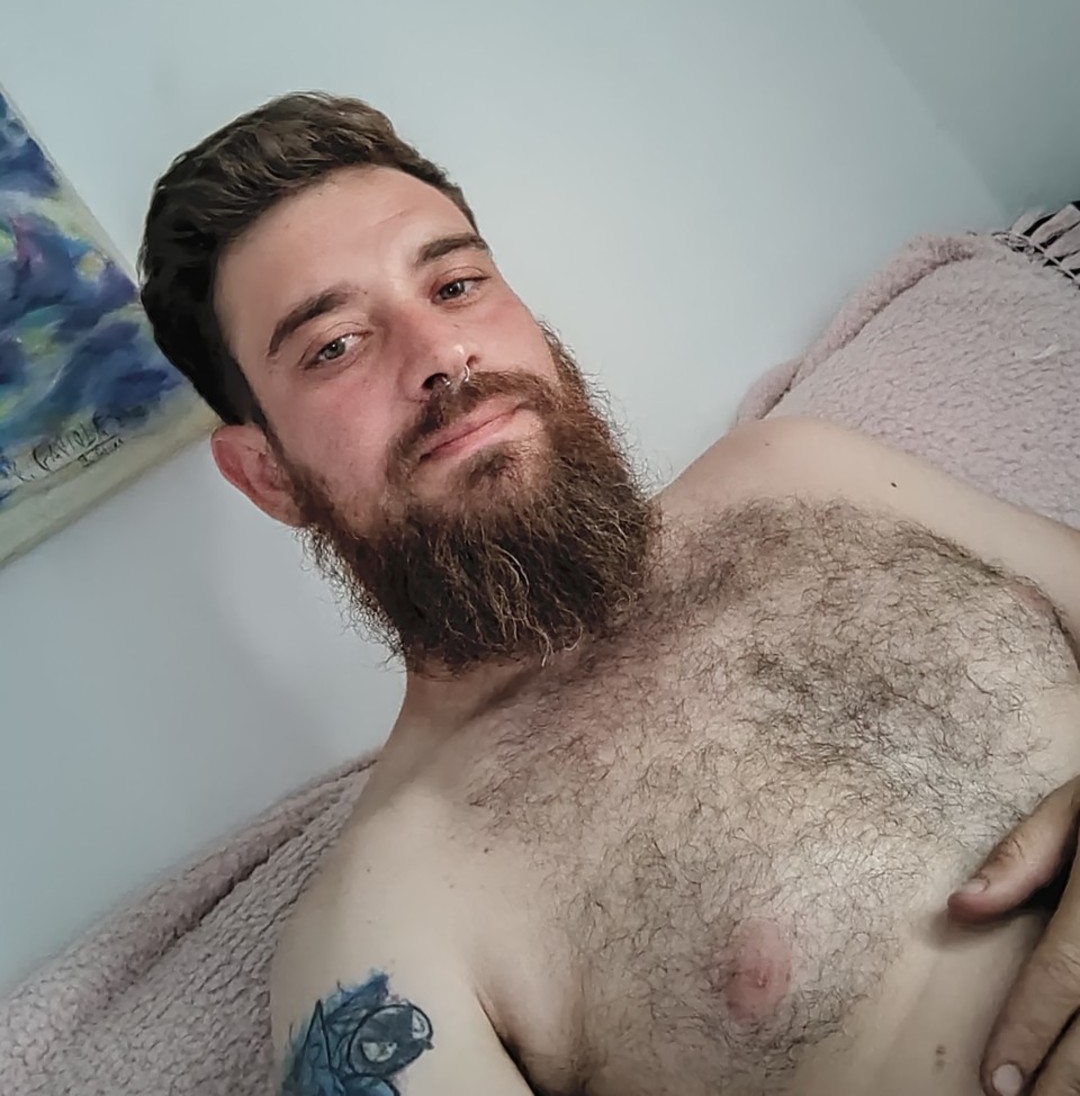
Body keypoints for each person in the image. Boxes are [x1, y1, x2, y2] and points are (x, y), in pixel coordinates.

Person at [140, 93, 1080, 1096]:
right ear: (268, 476)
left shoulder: (803, 469)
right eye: (334, 346)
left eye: (456, 284)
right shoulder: (378, 934)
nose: (441, 355)